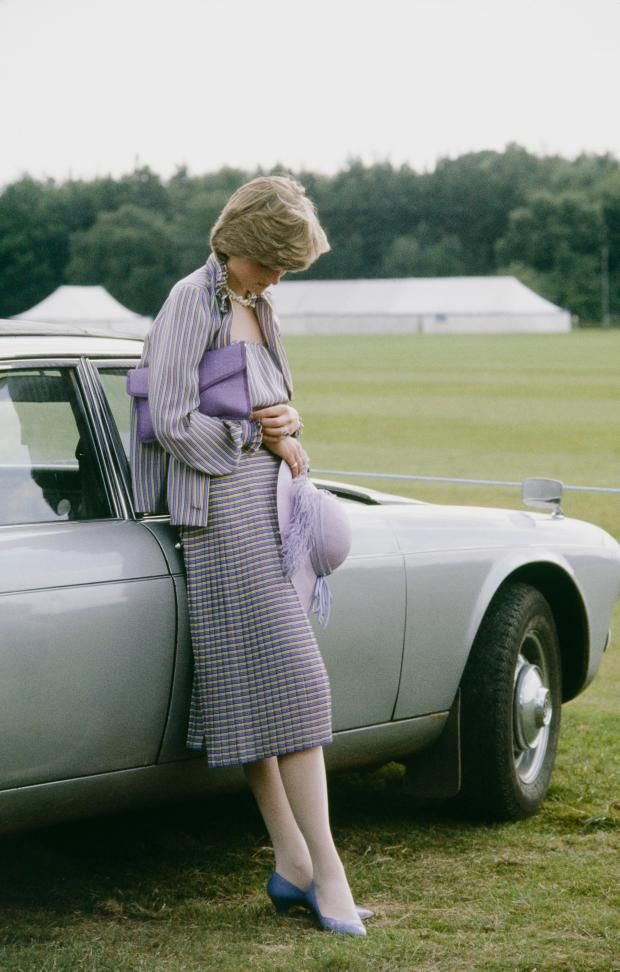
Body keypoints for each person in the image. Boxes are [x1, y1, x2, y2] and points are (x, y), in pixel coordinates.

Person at [129, 176, 369, 937]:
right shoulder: (187, 302)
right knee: (299, 690)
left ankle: (293, 864)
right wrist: (257, 436)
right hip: (220, 516)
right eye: (273, 262)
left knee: (260, 695)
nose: (279, 277)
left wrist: (289, 421)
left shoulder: (259, 305)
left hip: (270, 508)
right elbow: (170, 420)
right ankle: (328, 876)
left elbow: (266, 402)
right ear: (241, 244)